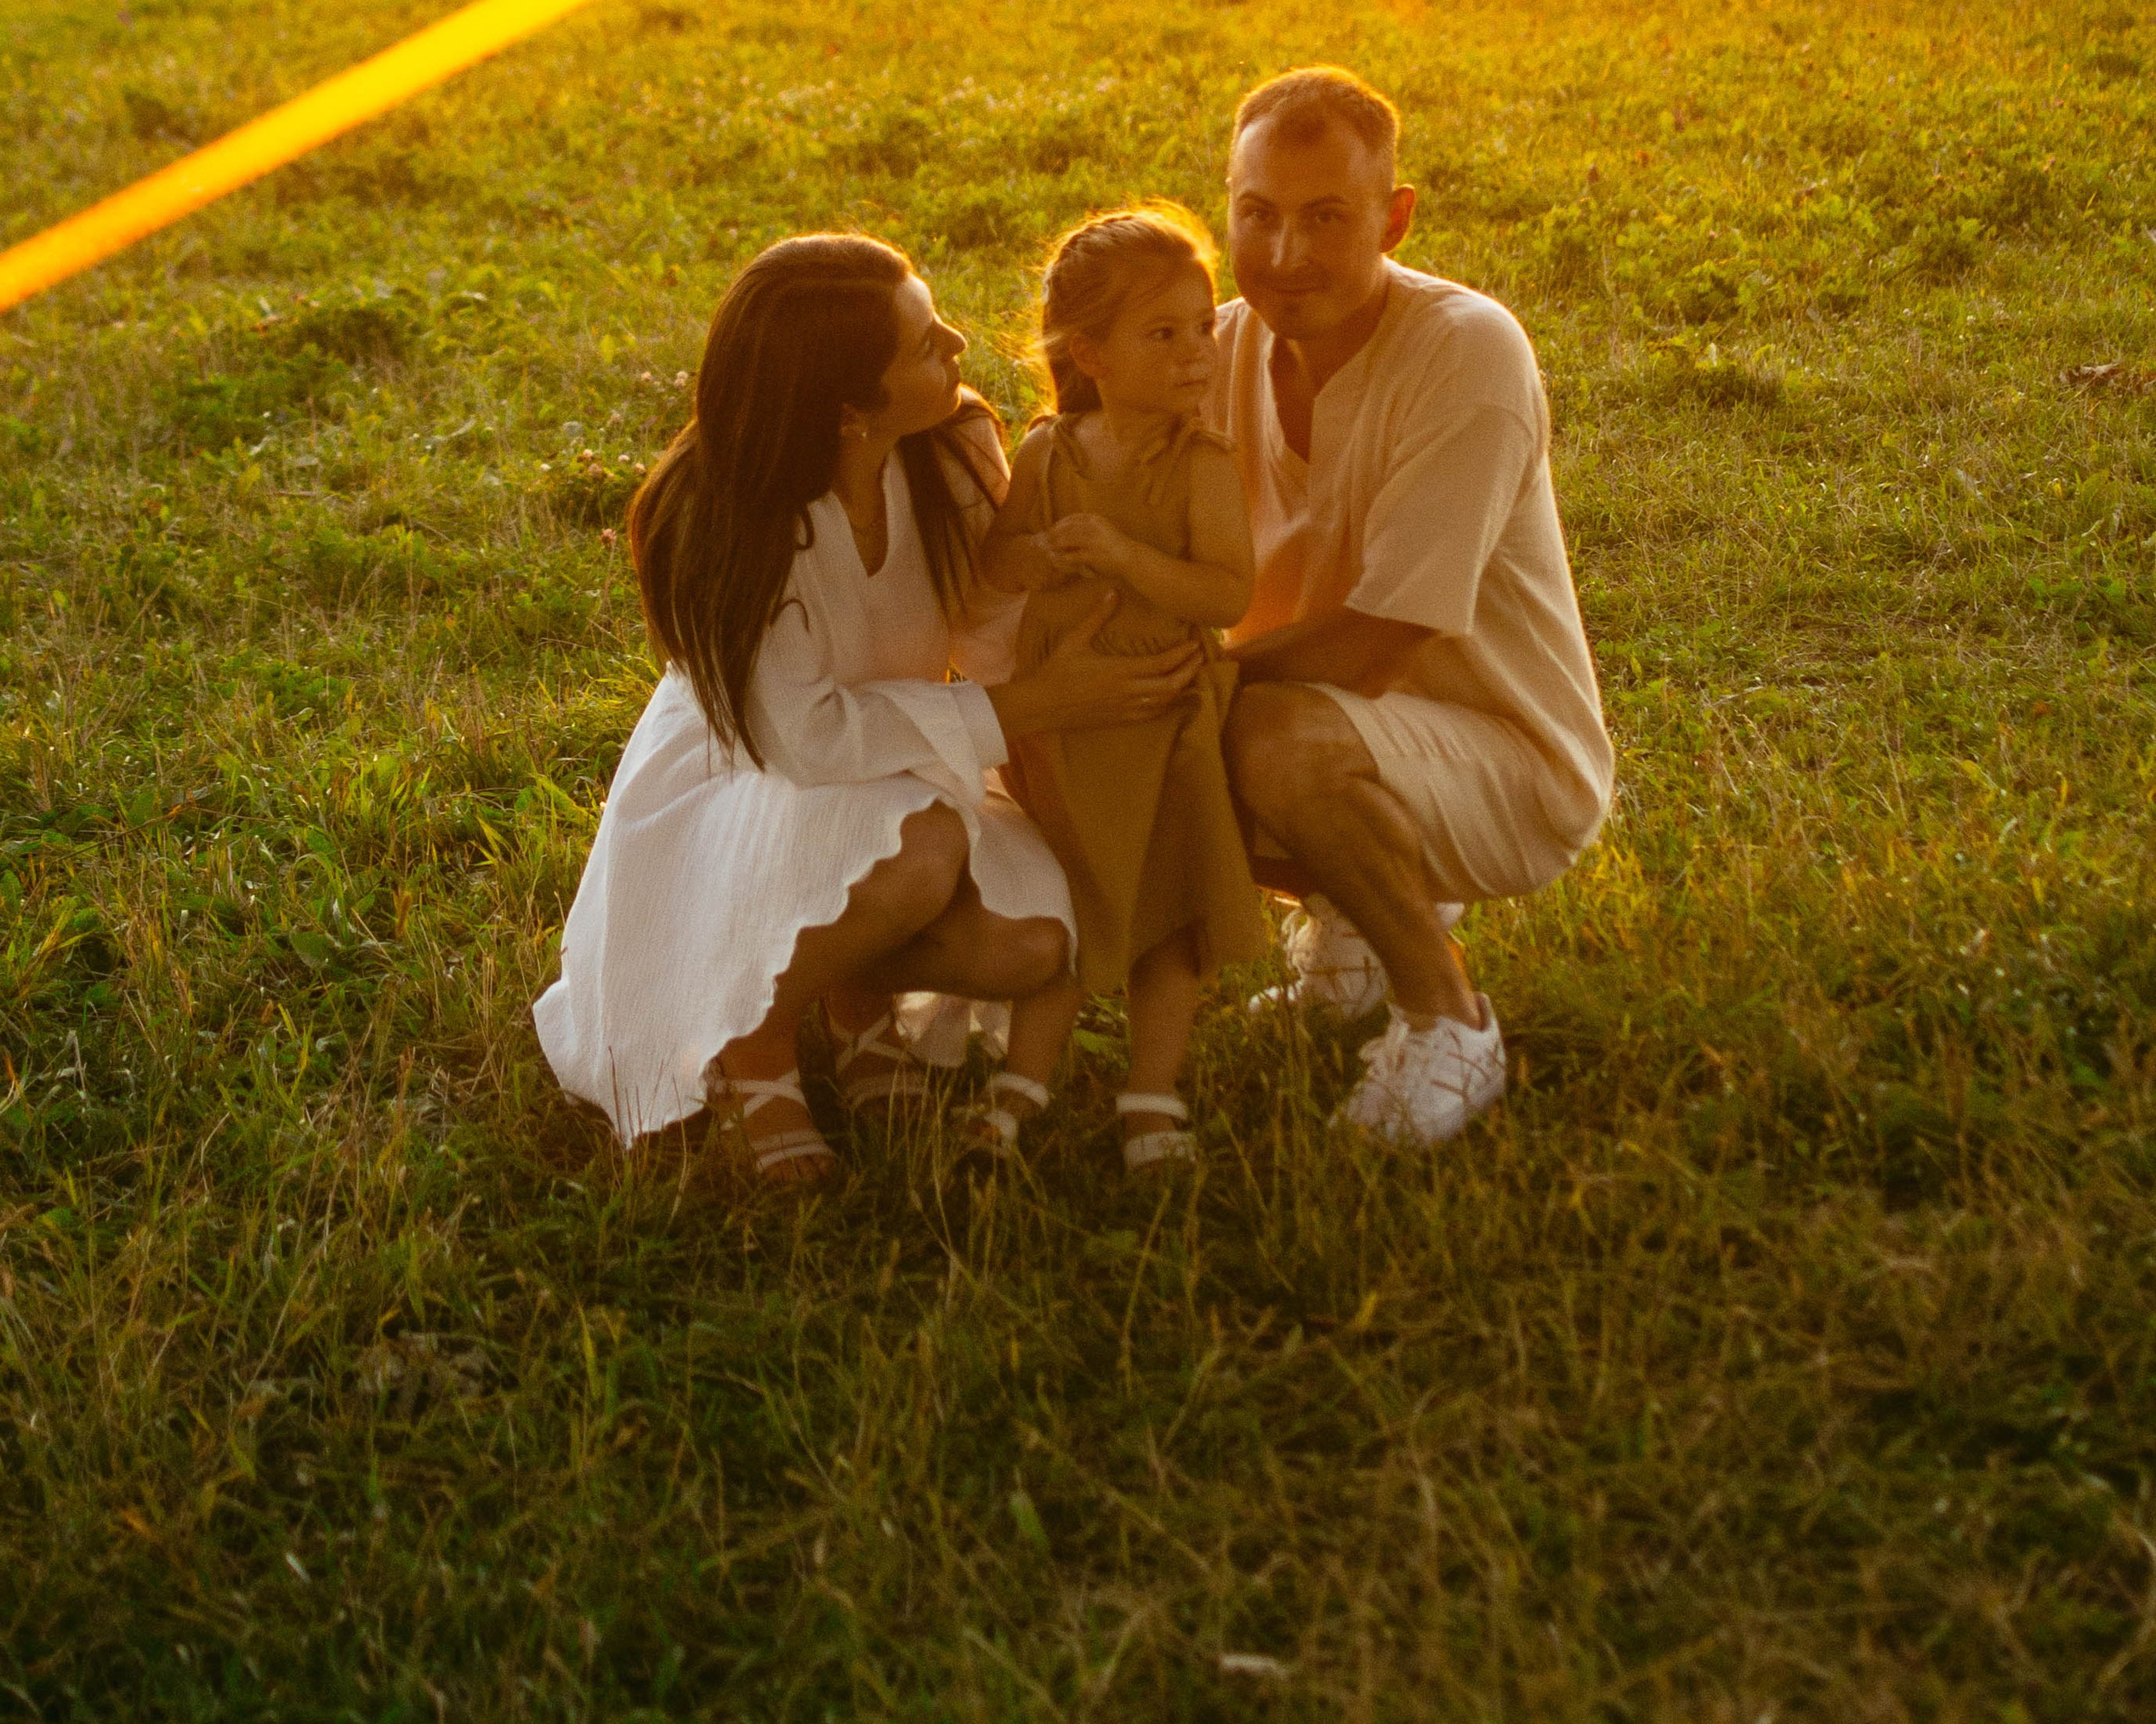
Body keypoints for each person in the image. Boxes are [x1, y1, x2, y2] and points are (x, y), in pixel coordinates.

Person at [532, 232, 1200, 1186]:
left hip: (907, 760)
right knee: (921, 845)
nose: (960, 343)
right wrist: (1022, 707)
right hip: (744, 783)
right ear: (849, 409)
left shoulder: (950, 447)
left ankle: (848, 989)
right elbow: (805, 738)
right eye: (927, 343)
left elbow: (977, 629)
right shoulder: (744, 528)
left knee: (1034, 945)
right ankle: (754, 1039)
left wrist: (1041, 591)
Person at [1210, 68, 1614, 1148]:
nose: (1285, 254)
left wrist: (1179, 692)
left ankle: (1449, 1021)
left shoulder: (1465, 350)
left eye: (1326, 218)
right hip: (1332, 725)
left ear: (1394, 217)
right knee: (1135, 725)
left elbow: (1384, 640)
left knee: (1259, 731)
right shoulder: (1213, 347)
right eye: (1259, 214)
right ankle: (1351, 927)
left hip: (1505, 756)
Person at [975, 208, 1263, 1173]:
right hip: (1063, 715)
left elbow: (1226, 590)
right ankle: (1018, 1087)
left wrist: (1128, 557)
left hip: (1162, 712)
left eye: (1204, 325)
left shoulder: (1198, 461)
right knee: (1070, 893)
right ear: (1089, 352)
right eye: (1163, 333)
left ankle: (1151, 1096)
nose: (1194, 353)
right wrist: (1043, 551)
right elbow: (997, 558)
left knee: (1166, 908)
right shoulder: (1052, 450)